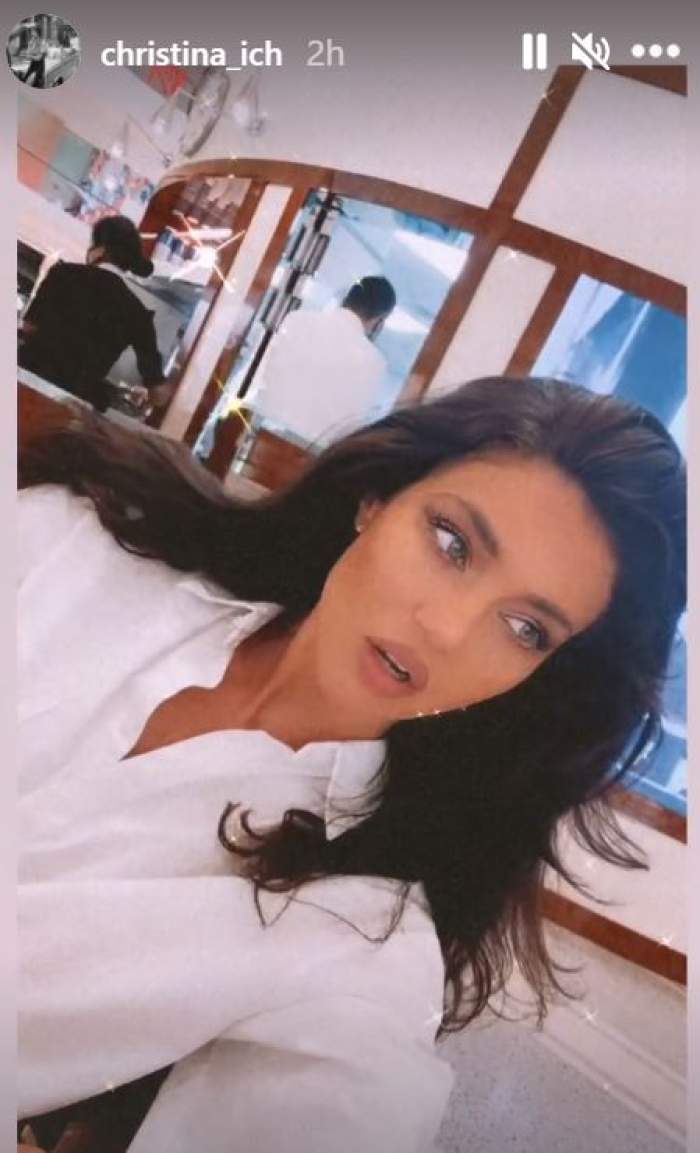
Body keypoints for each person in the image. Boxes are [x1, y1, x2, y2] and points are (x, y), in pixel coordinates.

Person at [17, 377, 685, 1153]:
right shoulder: (74, 544)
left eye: (525, 628)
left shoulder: (355, 935)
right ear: (377, 497)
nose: (445, 629)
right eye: (452, 544)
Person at [18, 215, 173, 414]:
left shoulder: (63, 273)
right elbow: (159, 393)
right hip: (72, 404)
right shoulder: (137, 313)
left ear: (99, 250)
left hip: (27, 380)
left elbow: (29, 327)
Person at [250, 275, 397, 445]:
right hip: (308, 452)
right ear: (379, 322)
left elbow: (260, 373)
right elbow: (353, 427)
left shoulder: (296, 320)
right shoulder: (374, 363)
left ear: (346, 299)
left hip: (257, 433)